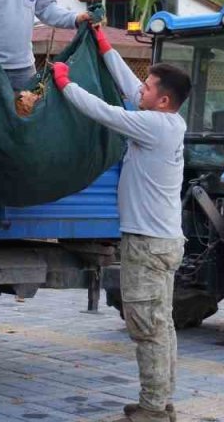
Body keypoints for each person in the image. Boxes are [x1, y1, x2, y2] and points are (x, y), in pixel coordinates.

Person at [51, 26, 191, 422]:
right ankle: (161, 400)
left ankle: (153, 409)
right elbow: (131, 90)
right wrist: (107, 48)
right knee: (161, 326)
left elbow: (105, 112)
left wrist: (65, 85)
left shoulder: (154, 127)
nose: (141, 90)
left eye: (150, 88)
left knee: (147, 327)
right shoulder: (166, 121)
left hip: (148, 246)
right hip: (162, 241)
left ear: (163, 100)